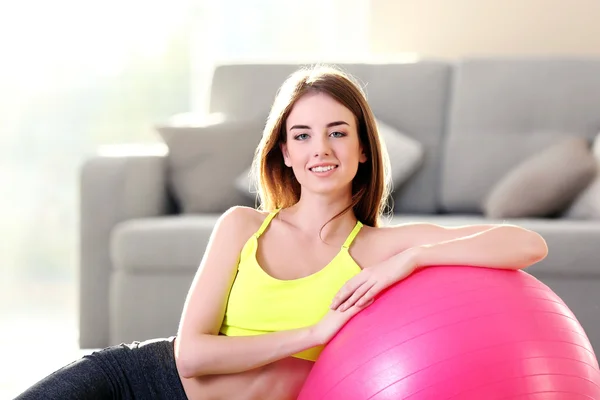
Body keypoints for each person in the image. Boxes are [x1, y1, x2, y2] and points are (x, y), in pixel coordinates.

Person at [16, 65, 548, 400]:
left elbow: (527, 243)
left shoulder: (375, 247)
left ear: (363, 150)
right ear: (285, 154)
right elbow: (191, 356)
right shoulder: (241, 226)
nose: (322, 149)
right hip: (137, 381)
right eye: (303, 135)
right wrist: (311, 338)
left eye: (338, 132)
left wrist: (412, 260)